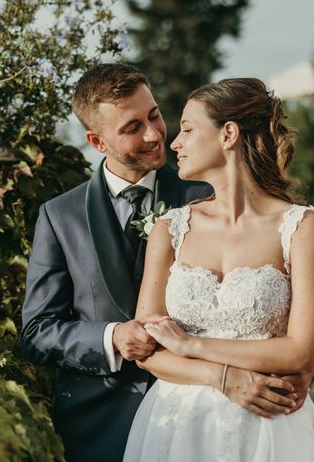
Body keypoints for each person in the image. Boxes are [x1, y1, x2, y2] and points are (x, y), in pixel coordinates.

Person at [20, 64, 311, 462]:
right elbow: (37, 330)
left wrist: (299, 371)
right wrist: (113, 338)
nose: (157, 135)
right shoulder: (60, 216)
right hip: (112, 421)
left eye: (155, 115)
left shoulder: (210, 185)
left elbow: (299, 338)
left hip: (262, 414)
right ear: (97, 140)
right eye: (132, 127)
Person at [123, 77, 314, 461]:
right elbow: (147, 349)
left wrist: (192, 345)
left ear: (228, 134)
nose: (174, 142)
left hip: (272, 424)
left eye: (188, 129)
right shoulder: (169, 229)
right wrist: (223, 378)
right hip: (178, 424)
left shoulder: (301, 227)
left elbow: (300, 353)